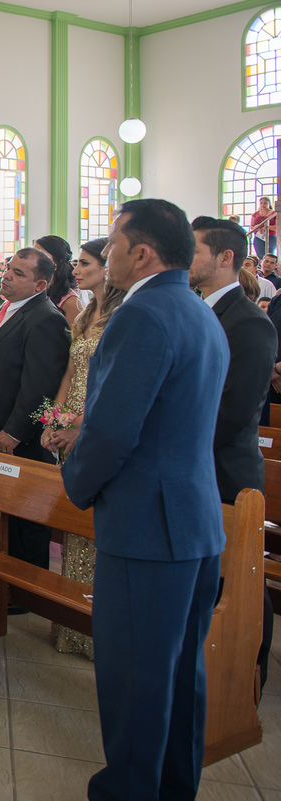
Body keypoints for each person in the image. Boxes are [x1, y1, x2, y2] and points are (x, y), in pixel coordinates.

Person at [61, 199, 229, 801]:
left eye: (111, 244)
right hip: (194, 524)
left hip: (147, 527)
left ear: (142, 252)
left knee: (135, 680)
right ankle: (172, 788)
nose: (105, 256)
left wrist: (75, 483)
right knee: (180, 675)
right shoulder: (199, 312)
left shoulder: (143, 314)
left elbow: (113, 429)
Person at [191, 215, 276, 689]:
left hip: (227, 471)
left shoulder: (249, 323)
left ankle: (248, 669)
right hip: (196, 466)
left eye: (195, 250)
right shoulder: (198, 309)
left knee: (241, 578)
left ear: (225, 258)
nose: (186, 259)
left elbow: (234, 410)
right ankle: (207, 661)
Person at [39, 237, 125, 659]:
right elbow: (71, 371)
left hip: (96, 420)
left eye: (86, 263)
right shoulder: (87, 313)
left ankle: (96, 631)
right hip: (70, 419)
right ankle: (70, 628)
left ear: (108, 268)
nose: (76, 268)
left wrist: (80, 423)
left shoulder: (122, 316)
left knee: (95, 525)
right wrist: (53, 418)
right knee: (73, 519)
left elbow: (114, 385)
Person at [0, 247, 70, 571]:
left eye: (18, 273)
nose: (6, 276)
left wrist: (15, 431)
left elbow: (40, 386)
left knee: (23, 513)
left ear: (40, 285)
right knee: (0, 510)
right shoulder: (7, 308)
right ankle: (0, 581)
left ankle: (21, 588)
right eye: (8, 269)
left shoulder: (46, 319)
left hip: (16, 437)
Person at [36, 235, 84, 325]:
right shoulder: (35, 288)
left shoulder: (70, 302)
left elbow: (74, 336)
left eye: (40, 255)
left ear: (56, 262)